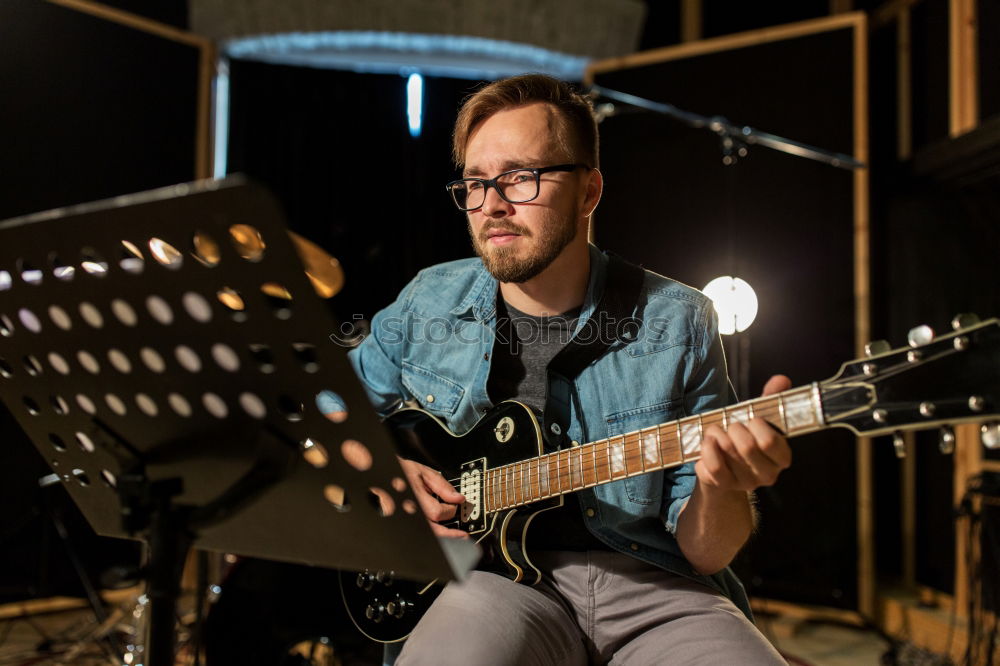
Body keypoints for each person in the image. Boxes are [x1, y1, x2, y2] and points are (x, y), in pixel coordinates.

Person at [345, 73, 792, 665]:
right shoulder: (429, 299)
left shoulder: (680, 320)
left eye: (520, 177)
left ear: (589, 191)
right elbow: (327, 409)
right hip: (489, 582)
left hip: (652, 582)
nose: (493, 205)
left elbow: (707, 552)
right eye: (477, 183)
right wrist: (381, 468)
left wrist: (722, 487)